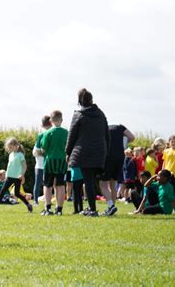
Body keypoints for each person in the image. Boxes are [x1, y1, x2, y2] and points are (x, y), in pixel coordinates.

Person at [66, 88, 109, 217]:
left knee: (88, 181)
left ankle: (92, 208)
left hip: (83, 152)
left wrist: (67, 152)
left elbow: (71, 135)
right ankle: (91, 207)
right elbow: (107, 135)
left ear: (80, 101)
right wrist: (105, 152)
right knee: (90, 181)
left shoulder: (79, 114)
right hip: (99, 152)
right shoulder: (101, 114)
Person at [0, 137, 32, 213]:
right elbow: (9, 165)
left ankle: (28, 204)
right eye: (9, 147)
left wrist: (22, 174)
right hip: (9, 177)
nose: (9, 149)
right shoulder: (11, 155)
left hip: (17, 177)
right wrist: (6, 174)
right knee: (2, 191)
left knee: (17, 193)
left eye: (11, 147)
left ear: (16, 146)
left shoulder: (20, 155)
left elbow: (24, 166)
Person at [99, 124, 135, 216]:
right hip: (120, 157)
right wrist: (124, 142)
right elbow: (132, 137)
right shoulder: (120, 127)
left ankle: (111, 206)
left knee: (103, 185)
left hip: (108, 157)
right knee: (113, 184)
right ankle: (112, 208)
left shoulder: (104, 128)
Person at [39, 110, 68, 216]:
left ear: (51, 120)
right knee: (60, 185)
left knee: (47, 185)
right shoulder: (66, 132)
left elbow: (43, 147)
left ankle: (48, 208)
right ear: (62, 119)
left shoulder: (47, 132)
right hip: (62, 161)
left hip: (50, 161)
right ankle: (59, 209)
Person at [32, 115, 51, 206]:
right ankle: (36, 201)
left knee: (42, 183)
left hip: (44, 164)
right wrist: (43, 153)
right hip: (41, 164)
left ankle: (40, 201)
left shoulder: (46, 133)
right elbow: (35, 151)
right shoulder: (41, 135)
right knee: (43, 183)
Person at [163, 135, 175, 211]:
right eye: (172, 141)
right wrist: (162, 171)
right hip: (167, 172)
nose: (173, 143)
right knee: (167, 189)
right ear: (169, 142)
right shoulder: (166, 151)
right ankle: (167, 204)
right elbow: (164, 162)